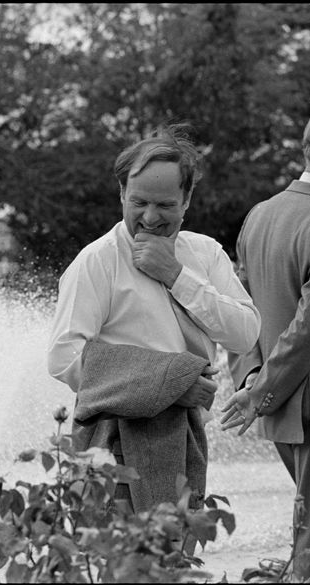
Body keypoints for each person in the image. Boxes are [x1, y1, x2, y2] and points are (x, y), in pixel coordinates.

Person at [47, 126, 261, 518]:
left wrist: (176, 275)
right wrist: (168, 386)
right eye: (138, 202)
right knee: (126, 570)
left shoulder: (205, 254)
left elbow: (245, 335)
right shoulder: (98, 260)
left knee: (174, 564)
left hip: (186, 437)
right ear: (122, 195)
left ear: (187, 199)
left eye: (164, 205)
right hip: (114, 441)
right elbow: (63, 357)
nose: (149, 217)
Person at [222, 106, 310, 582]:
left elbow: (239, 311)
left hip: (282, 413)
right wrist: (260, 391)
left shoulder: (260, 215)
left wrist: (254, 379)